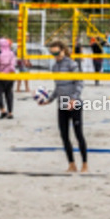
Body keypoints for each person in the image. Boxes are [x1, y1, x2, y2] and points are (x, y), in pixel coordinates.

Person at [43, 40, 87, 172]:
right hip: (62, 102)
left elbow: (79, 83)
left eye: (56, 52)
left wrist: (74, 99)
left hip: (74, 102)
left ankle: (85, 163)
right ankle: (71, 164)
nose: (55, 55)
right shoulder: (55, 67)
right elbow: (58, 87)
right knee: (64, 135)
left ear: (63, 50)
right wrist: (49, 99)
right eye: (52, 53)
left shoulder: (71, 64)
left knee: (78, 134)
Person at [0, 37, 17, 119]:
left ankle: (2, 110)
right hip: (10, 76)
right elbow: (13, 64)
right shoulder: (12, 54)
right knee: (9, 94)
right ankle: (10, 112)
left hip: (1, 76)